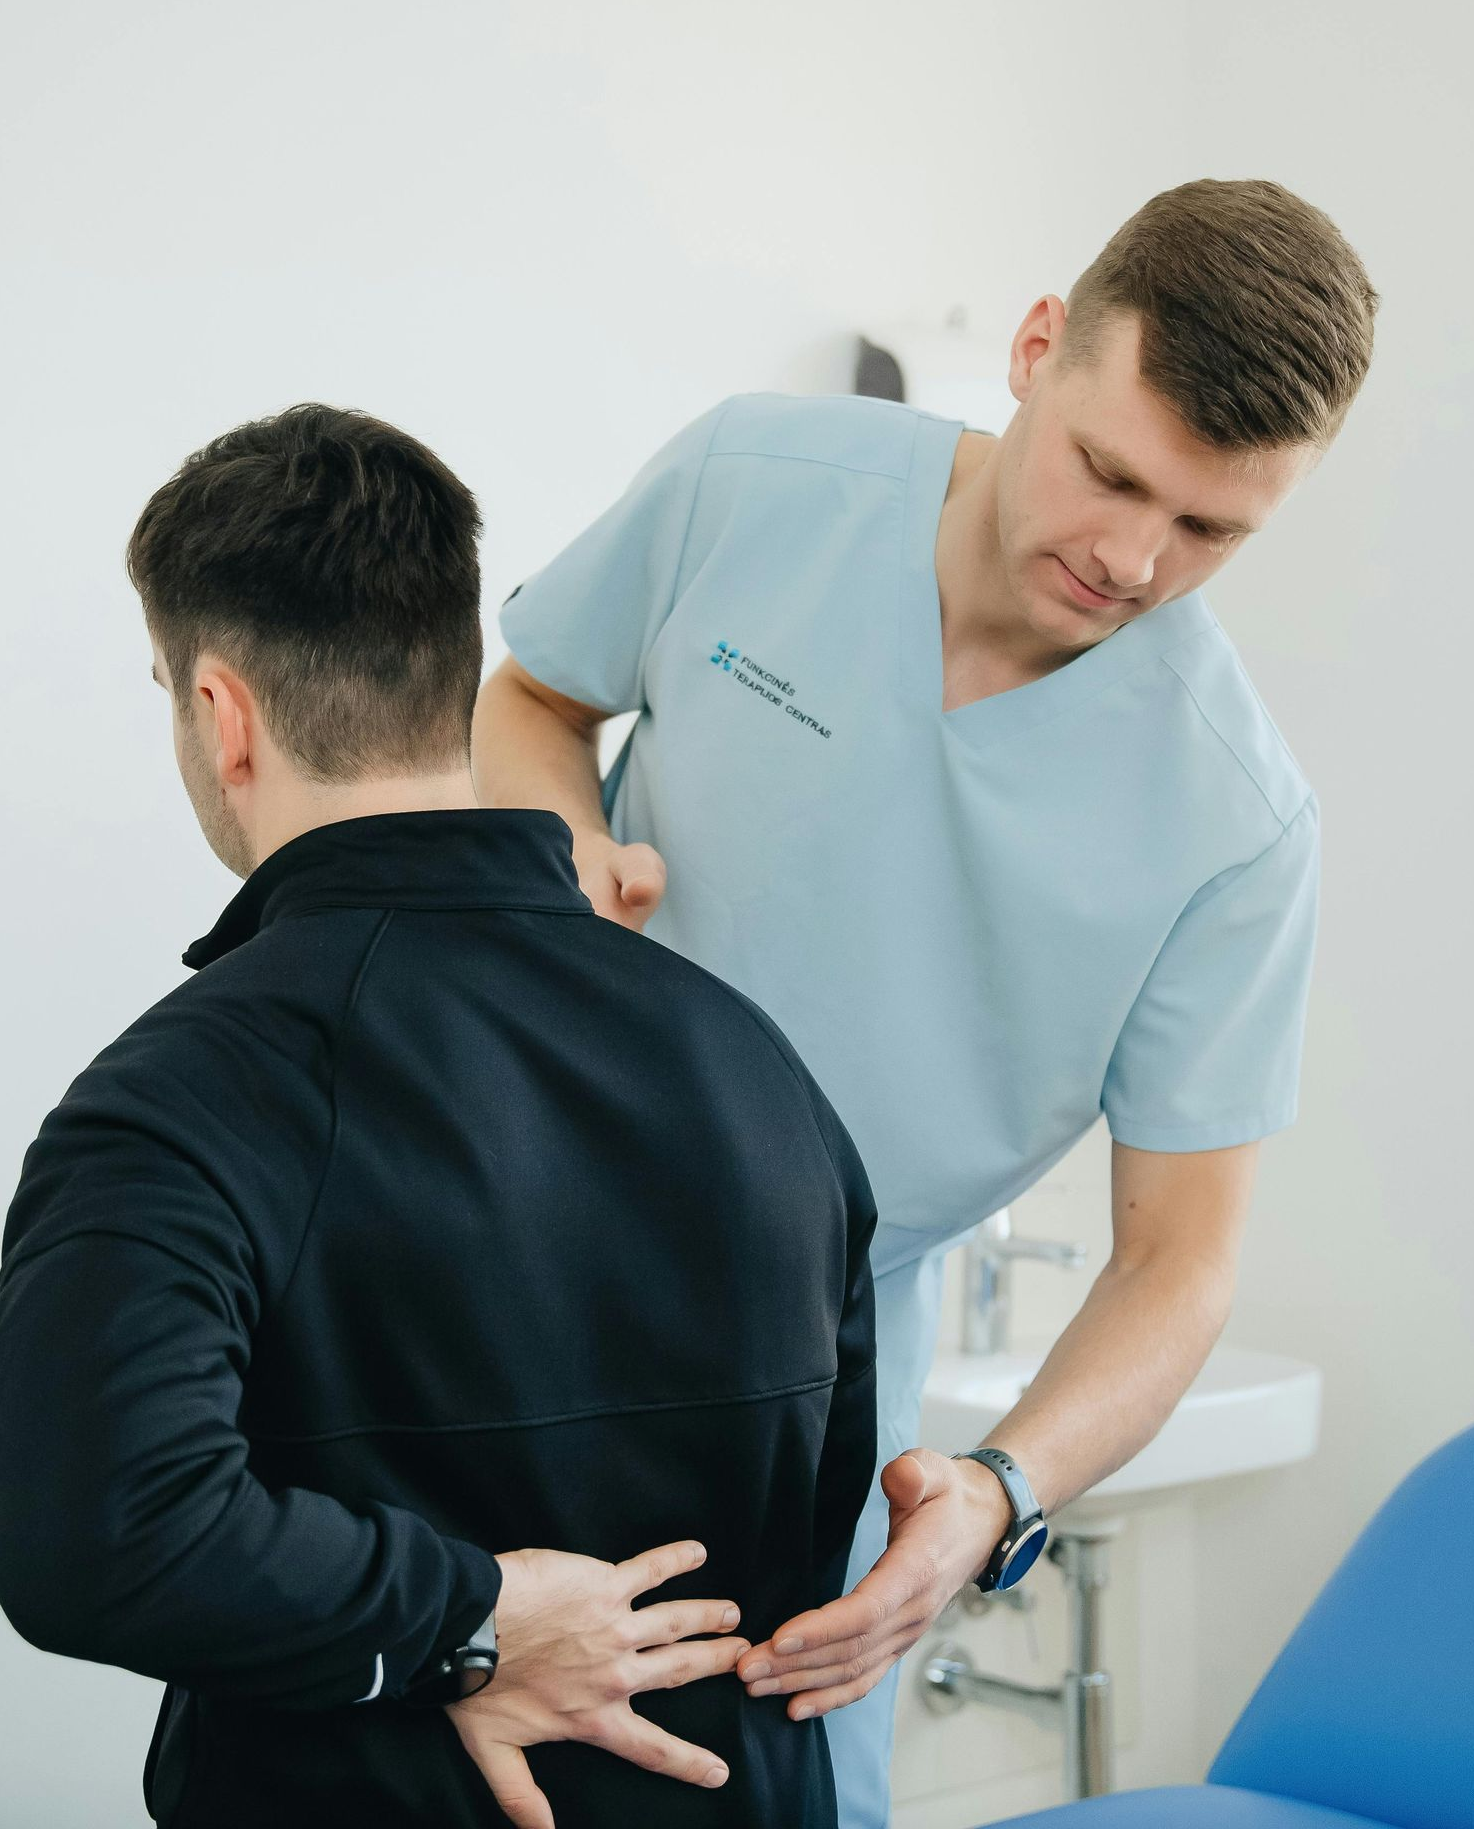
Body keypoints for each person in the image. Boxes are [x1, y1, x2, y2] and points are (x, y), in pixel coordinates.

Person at [471, 177, 1379, 1827]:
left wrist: (995, 1492)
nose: (1132, 557)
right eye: (1112, 474)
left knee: (762, 1783)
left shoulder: (1235, 819)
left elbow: (1181, 1256)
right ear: (1038, 350)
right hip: (511, 1229)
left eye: (1210, 530)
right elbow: (536, 693)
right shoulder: (755, 478)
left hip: (816, 1350)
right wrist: (566, 843)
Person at [0, 404, 878, 1828]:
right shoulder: (754, 1062)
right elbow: (809, 1525)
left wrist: (472, 1617)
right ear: (449, 671)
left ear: (222, 711)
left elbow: (99, 1532)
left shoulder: (185, 1093)